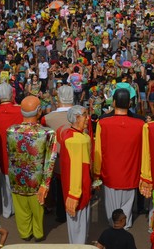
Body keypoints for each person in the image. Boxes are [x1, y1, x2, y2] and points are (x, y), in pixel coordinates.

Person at [6, 95, 57, 242]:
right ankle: (38, 236)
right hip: (37, 182)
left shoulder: (10, 130)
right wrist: (45, 184)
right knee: (38, 211)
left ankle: (25, 235)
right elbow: (50, 160)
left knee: (21, 211)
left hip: (16, 179)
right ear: (39, 111)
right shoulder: (47, 133)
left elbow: (10, 153)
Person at [94, 88, 144, 230]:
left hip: (110, 173)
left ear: (114, 102)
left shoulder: (103, 123)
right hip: (131, 173)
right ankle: (124, 230)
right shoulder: (140, 124)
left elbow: (98, 150)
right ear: (129, 103)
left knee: (112, 211)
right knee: (127, 208)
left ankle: (113, 232)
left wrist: (96, 173)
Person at [0, 82, 23, 219]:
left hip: (0, 151)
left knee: (5, 179)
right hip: (19, 151)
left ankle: (7, 210)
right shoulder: (20, 110)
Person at [57, 105, 92, 244]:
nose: (88, 118)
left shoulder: (68, 134)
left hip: (76, 185)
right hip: (78, 188)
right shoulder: (78, 140)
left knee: (79, 225)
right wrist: (74, 194)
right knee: (79, 224)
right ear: (77, 118)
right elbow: (77, 169)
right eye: (85, 115)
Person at [42, 83, 75, 223]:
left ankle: (61, 213)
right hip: (76, 160)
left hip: (57, 161)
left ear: (58, 99)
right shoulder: (82, 115)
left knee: (60, 187)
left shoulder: (48, 118)